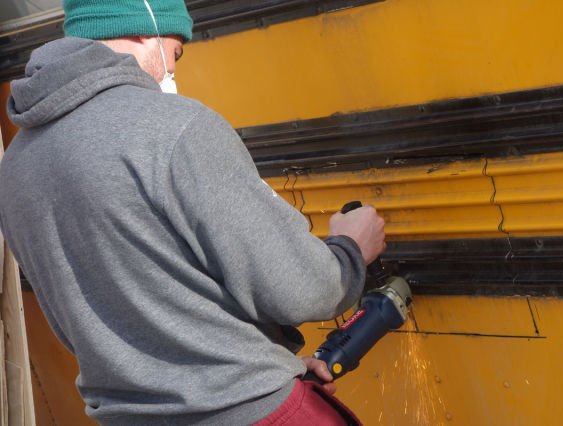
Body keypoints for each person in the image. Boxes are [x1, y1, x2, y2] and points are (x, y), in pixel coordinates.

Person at [0, 0, 385, 425]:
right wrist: (350, 249)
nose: (172, 70)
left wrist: (271, 364)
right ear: (143, 27)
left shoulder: (16, 167)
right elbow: (302, 289)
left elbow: (116, 318)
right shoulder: (173, 127)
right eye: (176, 52)